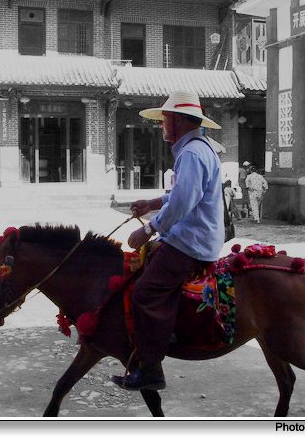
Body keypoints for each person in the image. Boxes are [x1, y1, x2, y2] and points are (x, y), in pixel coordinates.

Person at [111, 90, 224, 391]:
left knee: (144, 293)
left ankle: (150, 369)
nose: (162, 124)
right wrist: (152, 202)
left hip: (191, 242)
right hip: (194, 238)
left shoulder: (191, 153)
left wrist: (148, 229)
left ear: (178, 120)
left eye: (165, 118)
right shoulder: (199, 149)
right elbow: (179, 195)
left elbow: (184, 201)